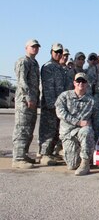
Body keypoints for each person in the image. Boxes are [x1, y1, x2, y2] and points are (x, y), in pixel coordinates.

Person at [55, 73, 96, 176]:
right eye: (78, 81)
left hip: (82, 132)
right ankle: (66, 152)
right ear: (74, 83)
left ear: (87, 84)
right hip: (68, 133)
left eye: (83, 81)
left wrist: (94, 139)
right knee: (72, 165)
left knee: (87, 131)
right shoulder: (64, 96)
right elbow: (60, 113)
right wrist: (78, 122)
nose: (80, 83)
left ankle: (85, 164)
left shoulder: (92, 101)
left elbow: (96, 121)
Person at [12, 39, 41, 169]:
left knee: (29, 129)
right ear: (26, 48)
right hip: (24, 102)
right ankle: (17, 159)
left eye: (36, 47)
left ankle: (23, 154)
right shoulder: (23, 62)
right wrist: (28, 98)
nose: (35, 49)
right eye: (32, 47)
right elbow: (22, 82)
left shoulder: (34, 63)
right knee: (22, 129)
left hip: (32, 101)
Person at [39, 43, 67, 165]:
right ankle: (44, 155)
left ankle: (50, 153)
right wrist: (52, 105)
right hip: (51, 105)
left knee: (55, 130)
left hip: (59, 104)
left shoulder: (59, 67)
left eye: (60, 52)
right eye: (56, 52)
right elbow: (48, 88)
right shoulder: (48, 67)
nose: (58, 54)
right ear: (51, 52)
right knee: (48, 130)